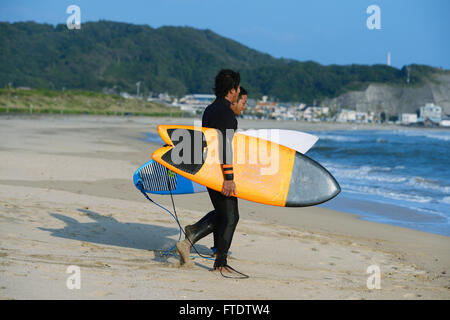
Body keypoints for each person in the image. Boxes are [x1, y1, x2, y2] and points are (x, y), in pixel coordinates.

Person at [176, 70, 247, 273]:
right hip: (219, 173)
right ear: (232, 90)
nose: (239, 91)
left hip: (208, 170)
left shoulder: (210, 110)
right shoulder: (227, 114)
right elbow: (225, 147)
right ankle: (220, 263)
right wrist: (229, 178)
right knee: (231, 217)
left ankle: (192, 232)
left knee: (223, 213)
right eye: (238, 88)